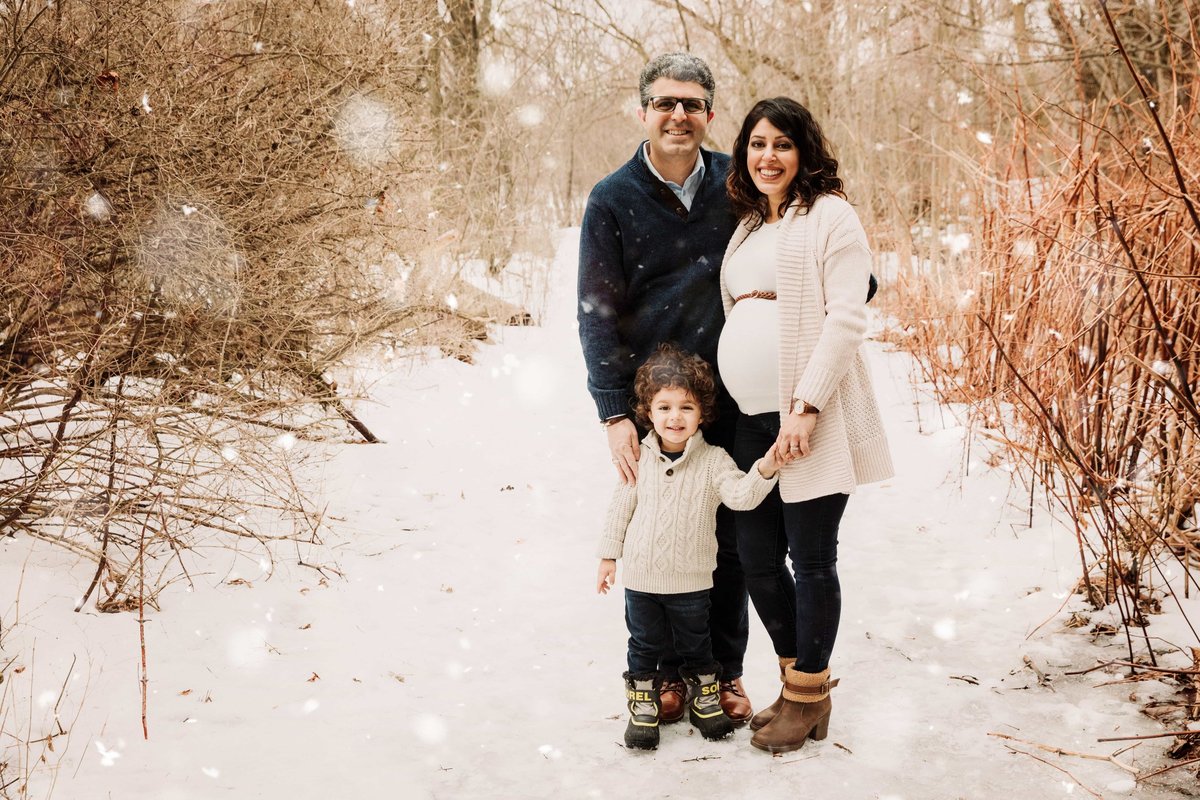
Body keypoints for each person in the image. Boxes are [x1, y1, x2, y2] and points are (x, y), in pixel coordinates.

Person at [577, 52, 755, 723]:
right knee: (660, 540)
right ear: (643, 110)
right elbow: (595, 311)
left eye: (691, 103)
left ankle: (726, 674)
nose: (677, 115)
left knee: (729, 545)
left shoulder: (739, 187)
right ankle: (670, 675)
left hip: (733, 393)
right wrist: (615, 412)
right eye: (664, 103)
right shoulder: (613, 198)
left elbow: (797, 250)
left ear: (710, 113)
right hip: (660, 406)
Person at [716, 97, 894, 754]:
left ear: (804, 151)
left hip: (808, 417)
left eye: (782, 144)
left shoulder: (831, 216)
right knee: (758, 559)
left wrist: (806, 408)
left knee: (811, 559)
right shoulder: (748, 228)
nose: (768, 156)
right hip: (749, 421)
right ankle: (797, 684)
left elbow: (847, 317)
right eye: (757, 144)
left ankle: (809, 695)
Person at [595, 344, 780, 750]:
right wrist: (608, 556)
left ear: (703, 414)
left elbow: (740, 496)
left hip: (693, 582)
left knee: (697, 644)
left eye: (686, 408)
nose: (674, 417)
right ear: (647, 412)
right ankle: (644, 708)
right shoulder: (638, 458)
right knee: (644, 645)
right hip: (641, 580)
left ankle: (706, 702)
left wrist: (766, 467)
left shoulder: (714, 461)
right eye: (664, 408)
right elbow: (619, 508)